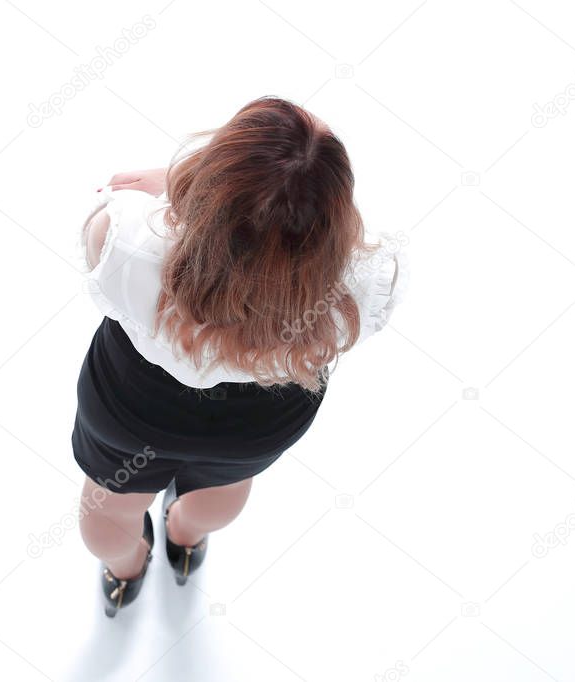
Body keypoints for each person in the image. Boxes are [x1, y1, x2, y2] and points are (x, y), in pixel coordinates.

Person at [71, 96, 409, 616]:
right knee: (223, 489)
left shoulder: (126, 241)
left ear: (213, 178)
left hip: (132, 409)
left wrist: (181, 193)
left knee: (107, 514)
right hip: (258, 420)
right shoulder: (367, 283)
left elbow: (100, 238)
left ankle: (126, 567)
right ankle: (185, 535)